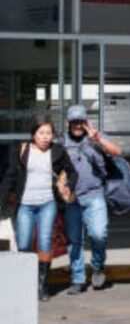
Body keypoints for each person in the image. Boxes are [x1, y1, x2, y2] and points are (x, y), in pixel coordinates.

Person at [0, 120, 77, 301]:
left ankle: (42, 286)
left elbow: (72, 172)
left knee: (44, 242)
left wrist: (69, 185)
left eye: (48, 133)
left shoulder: (58, 151)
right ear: (34, 134)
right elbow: (10, 177)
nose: (45, 137)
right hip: (25, 205)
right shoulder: (22, 151)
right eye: (41, 133)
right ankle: (26, 282)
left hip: (47, 204)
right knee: (24, 243)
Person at [62, 104, 123, 294]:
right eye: (74, 122)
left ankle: (97, 267)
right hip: (71, 198)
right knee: (74, 240)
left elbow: (118, 152)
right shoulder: (61, 141)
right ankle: (78, 278)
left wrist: (98, 139)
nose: (78, 126)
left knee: (99, 234)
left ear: (86, 121)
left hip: (94, 194)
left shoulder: (95, 137)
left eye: (81, 121)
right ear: (68, 123)